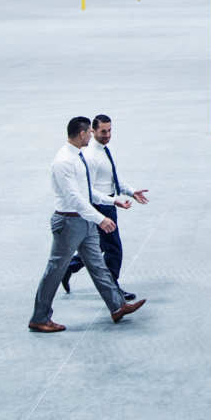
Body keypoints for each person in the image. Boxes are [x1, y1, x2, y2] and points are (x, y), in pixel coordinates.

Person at [29, 116, 146, 333]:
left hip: (84, 220)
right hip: (69, 222)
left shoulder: (78, 156)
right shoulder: (64, 161)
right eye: (90, 133)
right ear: (83, 133)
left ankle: (117, 306)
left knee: (98, 266)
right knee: (55, 269)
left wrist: (113, 201)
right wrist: (100, 218)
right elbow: (75, 198)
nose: (92, 137)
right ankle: (39, 317)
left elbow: (88, 193)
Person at [62, 113, 149, 300]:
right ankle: (113, 288)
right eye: (103, 131)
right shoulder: (91, 156)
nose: (107, 135)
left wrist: (131, 192)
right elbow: (88, 190)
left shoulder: (104, 150)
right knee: (114, 249)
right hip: (101, 206)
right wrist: (112, 201)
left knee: (98, 246)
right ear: (92, 131)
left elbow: (113, 179)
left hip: (109, 203)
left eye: (110, 130)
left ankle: (68, 268)